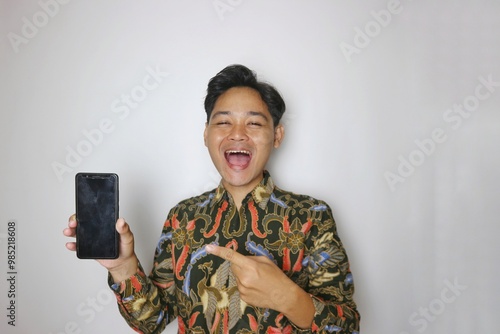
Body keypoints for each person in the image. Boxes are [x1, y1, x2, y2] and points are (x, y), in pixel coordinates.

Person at [64, 64, 360, 333]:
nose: (237, 134)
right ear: (206, 134)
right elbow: (151, 321)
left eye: (254, 124)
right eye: (223, 123)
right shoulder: (182, 217)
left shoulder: (312, 216)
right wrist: (122, 266)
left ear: (277, 135)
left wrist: (286, 296)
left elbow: (347, 327)